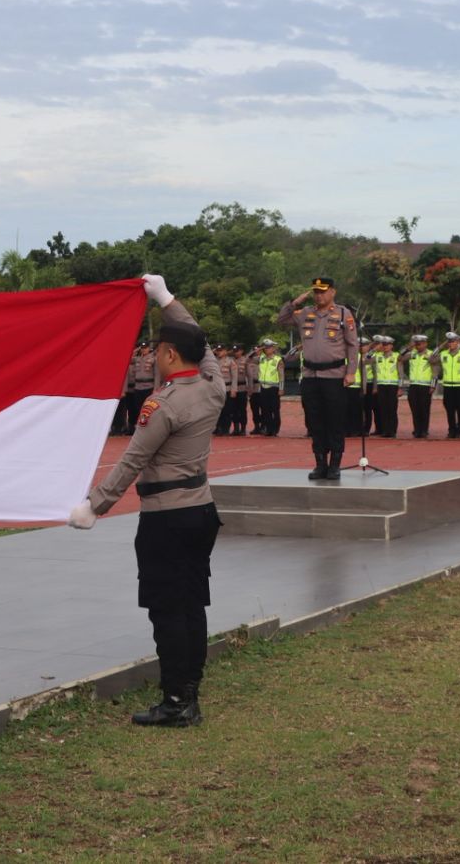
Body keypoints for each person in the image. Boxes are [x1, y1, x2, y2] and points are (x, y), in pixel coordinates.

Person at [69, 274, 223, 728]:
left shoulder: (163, 405)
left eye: (158, 350)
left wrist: (94, 505)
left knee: (166, 609)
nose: (155, 356)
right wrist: (167, 299)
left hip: (166, 519)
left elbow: (133, 459)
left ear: (170, 354)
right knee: (191, 604)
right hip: (201, 511)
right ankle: (189, 690)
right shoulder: (212, 387)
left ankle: (177, 700)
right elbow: (202, 343)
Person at [277, 277, 359, 481]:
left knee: (335, 421)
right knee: (314, 421)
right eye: (316, 291)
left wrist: (351, 372)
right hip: (310, 376)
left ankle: (335, 464)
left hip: (334, 376)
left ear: (333, 292)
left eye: (323, 291)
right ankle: (320, 463)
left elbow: (352, 345)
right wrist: (294, 302)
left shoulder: (343, 313)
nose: (319, 295)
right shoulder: (305, 313)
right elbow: (282, 319)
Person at [434, 332, 460, 438]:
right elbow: (431, 358)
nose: (451, 344)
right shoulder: (443, 354)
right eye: (449, 342)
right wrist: (440, 346)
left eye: (453, 342)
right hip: (448, 386)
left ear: (458, 342)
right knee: (449, 410)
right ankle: (451, 430)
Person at [403, 334, 438, 438]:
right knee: (415, 409)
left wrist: (433, 386)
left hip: (425, 385)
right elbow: (400, 358)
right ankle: (417, 429)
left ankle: (424, 430)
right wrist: (407, 348)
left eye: (420, 344)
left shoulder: (431, 354)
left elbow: (435, 371)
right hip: (413, 385)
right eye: (416, 344)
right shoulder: (412, 353)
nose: (418, 346)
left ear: (425, 344)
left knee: (424, 409)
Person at [369, 336, 401, 438]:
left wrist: (400, 387)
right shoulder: (377, 356)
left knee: (392, 409)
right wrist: (375, 349)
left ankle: (392, 431)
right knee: (383, 408)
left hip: (393, 386)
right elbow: (366, 359)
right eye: (383, 345)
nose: (385, 346)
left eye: (387, 345)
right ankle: (385, 430)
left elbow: (400, 373)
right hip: (381, 385)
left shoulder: (396, 356)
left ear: (391, 346)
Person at [253, 339, 285, 436]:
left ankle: (275, 429)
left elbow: (281, 375)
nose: (267, 349)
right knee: (265, 409)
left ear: (273, 348)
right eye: (265, 348)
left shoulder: (278, 359)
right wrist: (258, 349)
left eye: (269, 347)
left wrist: (281, 388)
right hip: (263, 387)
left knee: (275, 409)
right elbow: (248, 358)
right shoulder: (261, 358)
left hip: (274, 388)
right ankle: (268, 428)